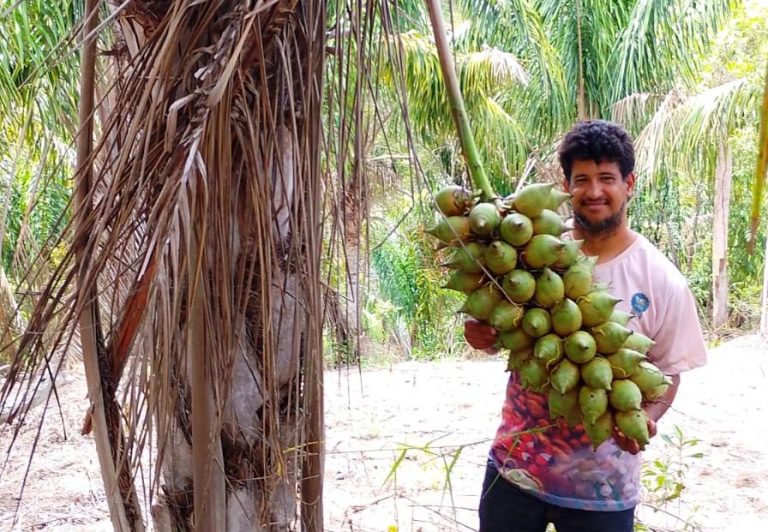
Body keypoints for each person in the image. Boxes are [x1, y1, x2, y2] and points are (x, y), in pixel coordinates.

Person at [464, 120, 708, 532]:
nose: (595, 191)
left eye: (607, 178)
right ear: (566, 185)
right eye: (582, 179)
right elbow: (497, 325)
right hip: (515, 468)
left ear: (629, 183)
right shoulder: (529, 246)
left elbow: (668, 372)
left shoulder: (661, 280)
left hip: (603, 490)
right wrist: (478, 332)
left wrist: (648, 415)